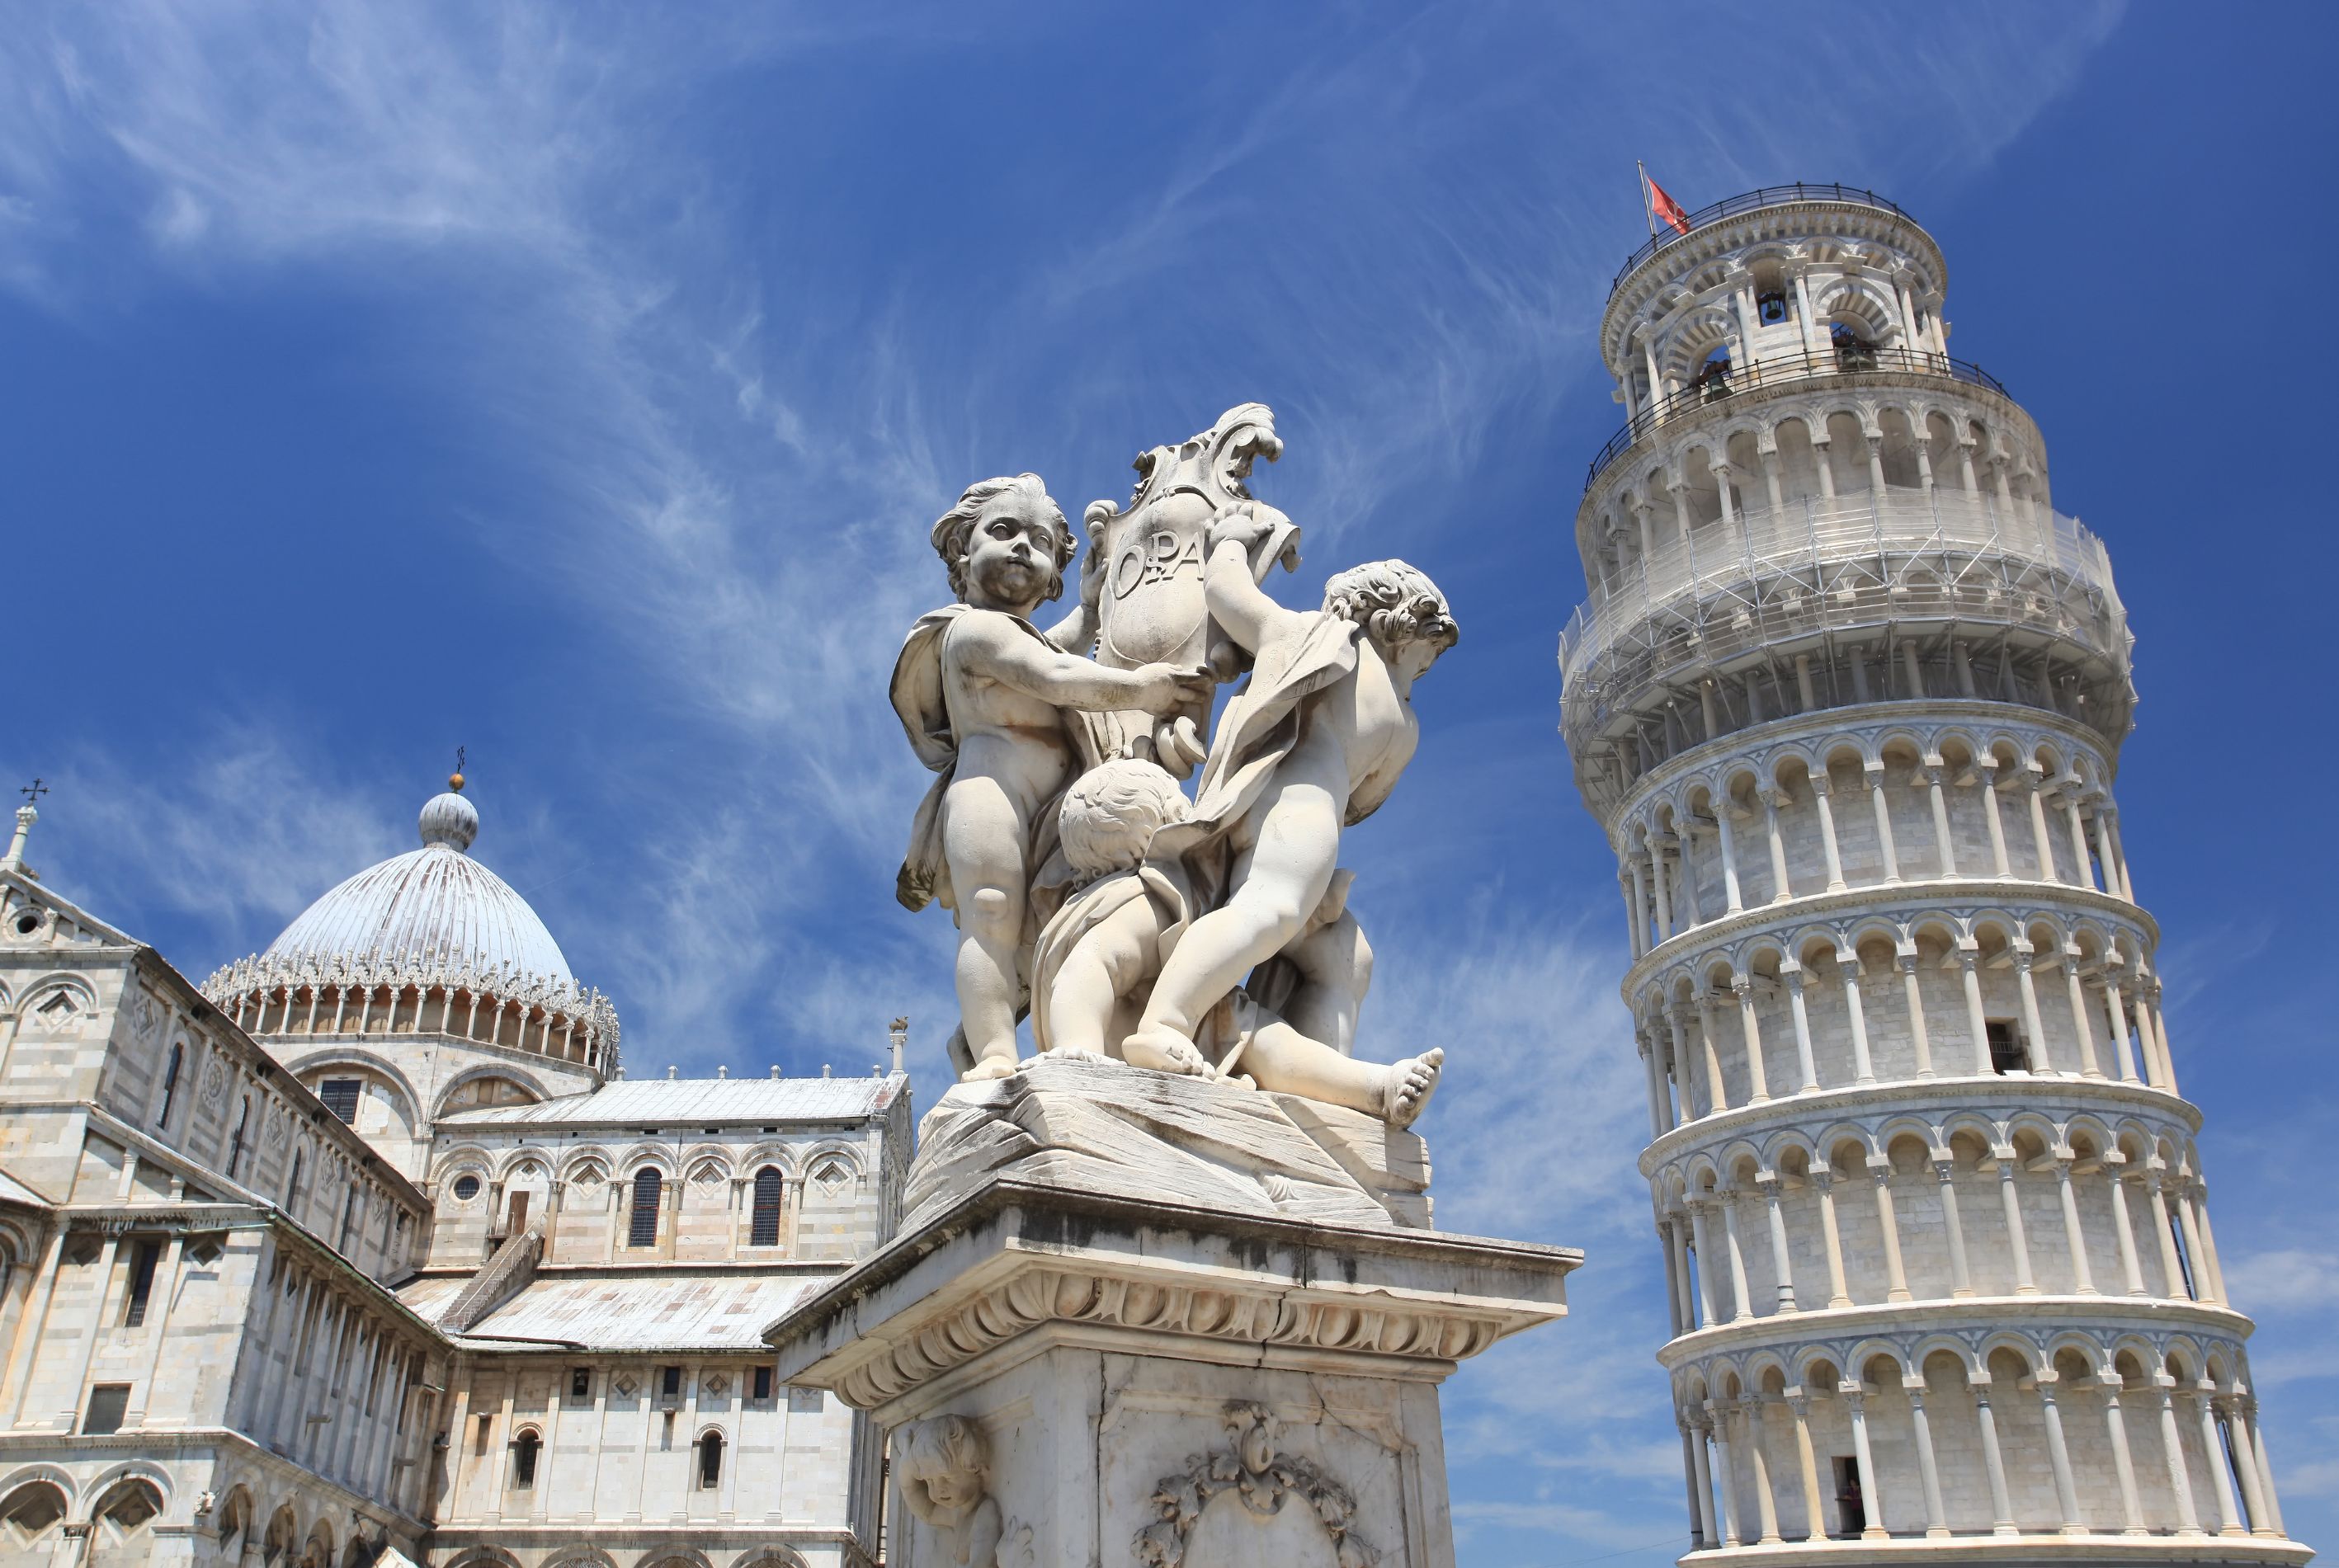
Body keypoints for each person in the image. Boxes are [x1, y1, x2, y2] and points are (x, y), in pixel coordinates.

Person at [891, 474, 1212, 1081]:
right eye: (1003, 531)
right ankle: (991, 1055)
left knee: (1037, 938)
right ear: (963, 548)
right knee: (991, 918)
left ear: (1054, 571)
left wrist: (1092, 609)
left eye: (1038, 541)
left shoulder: (1022, 634)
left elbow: (1055, 644)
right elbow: (1055, 675)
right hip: (992, 795)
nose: (1021, 548)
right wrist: (1144, 687)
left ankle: (977, 1038)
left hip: (1056, 810)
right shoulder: (971, 630)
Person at [1120, 504, 1459, 1080]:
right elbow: (1364, 800)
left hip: (1285, 814)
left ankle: (1313, 1085)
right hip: (1300, 813)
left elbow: (1228, 592)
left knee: (1347, 958)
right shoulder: (1353, 672)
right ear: (1400, 627)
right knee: (1269, 910)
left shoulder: (1326, 656)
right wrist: (1230, 538)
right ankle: (1165, 1022)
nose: (1420, 674)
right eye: (1425, 659)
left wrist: (1232, 540)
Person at [1032, 757, 1441, 1127]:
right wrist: (1078, 1050)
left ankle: (1379, 1087)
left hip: (1193, 1027)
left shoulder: (1163, 900)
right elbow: (1088, 969)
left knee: (1268, 1039)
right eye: (1177, 801)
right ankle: (1375, 1086)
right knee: (1268, 1041)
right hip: (1129, 1048)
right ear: (1158, 827)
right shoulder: (1141, 901)